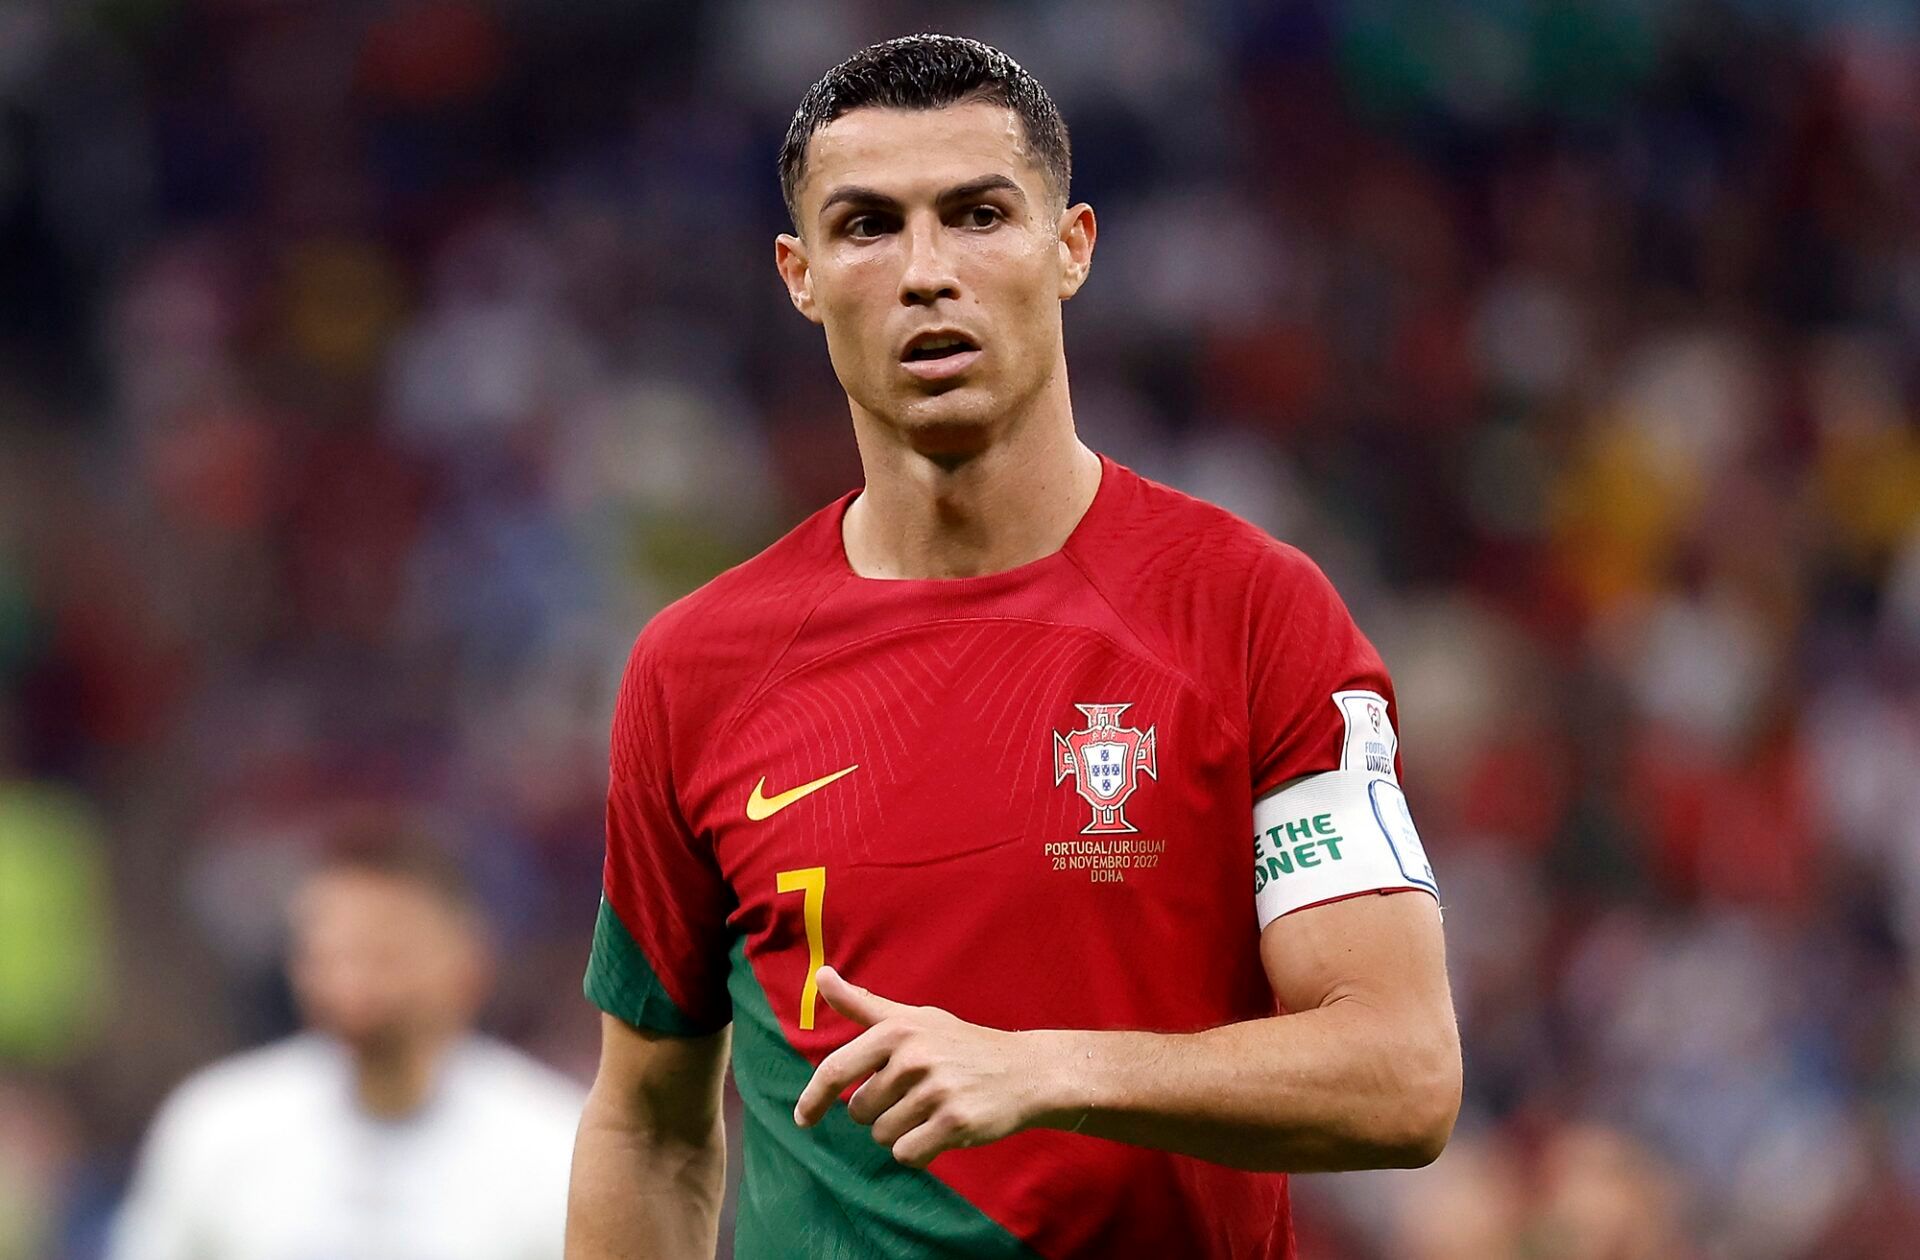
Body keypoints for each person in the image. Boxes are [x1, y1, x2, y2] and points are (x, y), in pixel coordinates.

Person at [567, 33, 1460, 1260]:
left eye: (978, 215)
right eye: (868, 227)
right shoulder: (697, 669)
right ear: (800, 275)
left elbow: (1403, 1073)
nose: (927, 273)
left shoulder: (1252, 613)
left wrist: (1049, 1071)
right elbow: (648, 1129)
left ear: (1071, 247)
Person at [111, 823, 585, 1260]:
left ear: (469, 962)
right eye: (330, 953)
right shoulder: (218, 1125)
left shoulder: (554, 1144)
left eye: (383, 952)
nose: (352, 982)